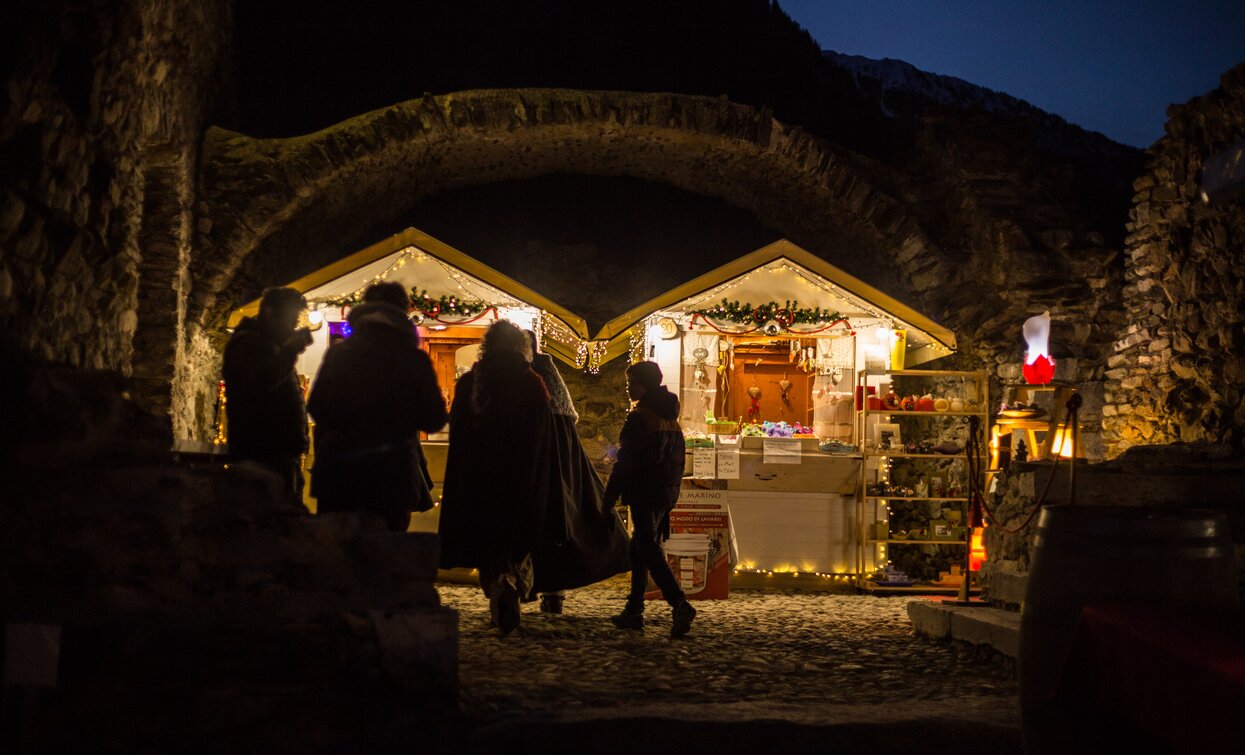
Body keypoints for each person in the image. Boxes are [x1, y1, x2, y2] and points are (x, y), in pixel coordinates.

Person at [438, 321, 562, 637]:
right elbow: (544, 438)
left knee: (488, 541)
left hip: (480, 479)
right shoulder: (532, 383)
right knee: (516, 539)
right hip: (520, 479)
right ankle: (509, 585)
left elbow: (461, 435)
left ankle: (498, 588)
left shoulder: (471, 383)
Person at [306, 282, 447, 532]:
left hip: (340, 474)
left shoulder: (341, 354)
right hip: (391, 476)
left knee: (339, 553)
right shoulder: (412, 359)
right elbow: (434, 419)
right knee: (382, 557)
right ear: (402, 312)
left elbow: (317, 406)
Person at [523, 330, 630, 614]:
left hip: (540, 472)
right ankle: (551, 593)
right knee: (562, 525)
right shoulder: (548, 378)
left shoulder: (528, 378)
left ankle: (542, 592)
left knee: (548, 528)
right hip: (561, 474)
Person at [603, 361, 697, 638]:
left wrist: (609, 499)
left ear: (645, 384)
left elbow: (625, 462)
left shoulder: (641, 417)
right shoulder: (669, 417)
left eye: (632, 382)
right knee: (639, 548)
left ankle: (679, 603)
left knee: (646, 546)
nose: (629, 387)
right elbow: (678, 461)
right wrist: (671, 497)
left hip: (645, 491)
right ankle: (634, 610)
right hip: (664, 493)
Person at [222, 286, 313, 505]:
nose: (293, 326)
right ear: (270, 313)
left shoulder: (267, 344)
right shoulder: (248, 343)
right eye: (289, 319)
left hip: (277, 453)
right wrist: (290, 350)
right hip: (262, 454)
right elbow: (261, 380)